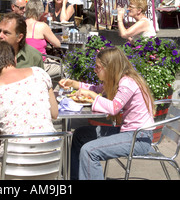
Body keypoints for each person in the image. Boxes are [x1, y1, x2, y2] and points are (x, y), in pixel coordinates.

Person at [59, 46, 155, 180]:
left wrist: (92, 95)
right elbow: (96, 88)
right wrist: (73, 83)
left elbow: (113, 108)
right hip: (129, 133)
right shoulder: (119, 80)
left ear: (110, 68)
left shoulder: (127, 83)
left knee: (89, 151)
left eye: (98, 67)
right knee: (80, 134)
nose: (95, 70)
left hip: (138, 138)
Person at [0, 40, 58, 179]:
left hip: (14, 168)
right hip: (51, 162)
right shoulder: (40, 74)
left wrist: (5, 132)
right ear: (15, 60)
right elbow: (54, 114)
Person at [25, 0, 61, 79]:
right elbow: (57, 44)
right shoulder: (42, 26)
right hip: (40, 65)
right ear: (40, 11)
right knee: (64, 68)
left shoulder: (20, 24)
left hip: (24, 63)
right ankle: (57, 91)